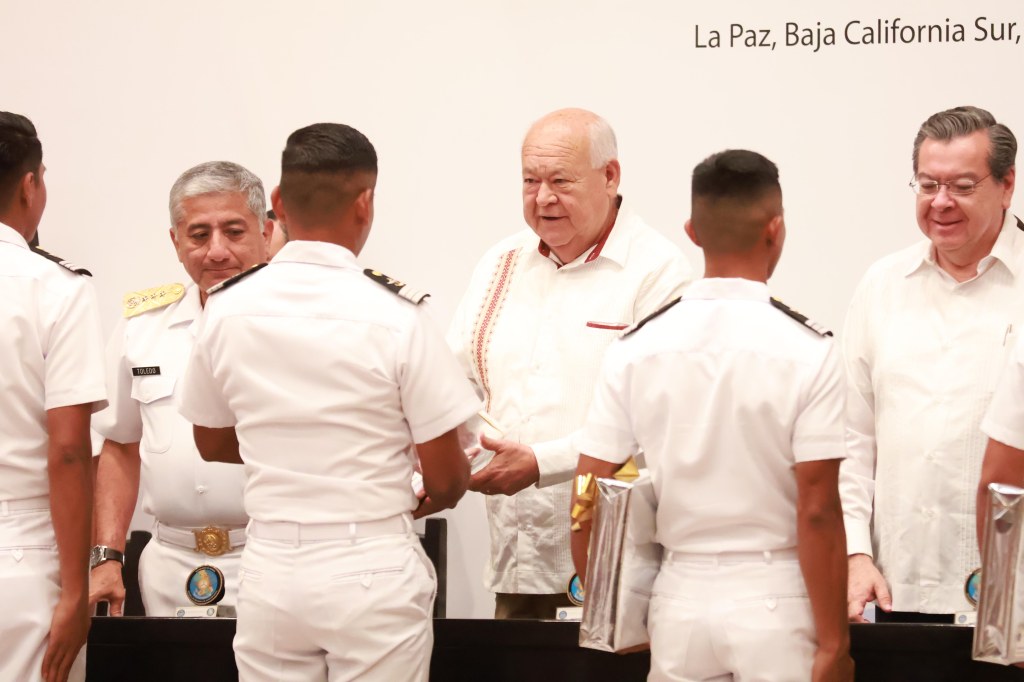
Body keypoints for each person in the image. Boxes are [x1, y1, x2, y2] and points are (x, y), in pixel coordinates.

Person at [177, 123, 479, 681]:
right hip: (368, 563)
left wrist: (291, 449)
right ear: (365, 203)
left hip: (269, 567)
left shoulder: (225, 309)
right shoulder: (398, 314)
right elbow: (446, 479)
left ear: (278, 204)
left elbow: (210, 440)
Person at [572, 149, 852, 681]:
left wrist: (612, 613)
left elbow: (588, 493)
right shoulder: (808, 349)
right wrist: (834, 645)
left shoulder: (636, 347)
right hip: (775, 596)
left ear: (691, 232)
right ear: (776, 229)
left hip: (679, 596)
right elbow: (818, 509)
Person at [447, 108, 691, 619]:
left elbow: (662, 421)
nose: (542, 198)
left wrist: (542, 463)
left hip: (619, 571)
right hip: (517, 565)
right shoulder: (500, 263)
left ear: (610, 176)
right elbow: (454, 382)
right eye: (530, 181)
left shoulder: (659, 273)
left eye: (560, 181)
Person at [842, 106, 1020, 623]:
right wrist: (855, 553)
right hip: (895, 593)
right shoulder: (882, 285)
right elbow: (850, 441)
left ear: (1007, 184)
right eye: (927, 185)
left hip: (1012, 601)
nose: (941, 203)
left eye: (962, 186)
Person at [89, 161, 272, 616]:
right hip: (168, 562)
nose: (216, 251)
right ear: (175, 241)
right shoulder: (143, 328)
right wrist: (107, 557)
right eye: (198, 234)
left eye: (233, 231)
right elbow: (119, 444)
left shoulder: (299, 324)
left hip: (271, 557)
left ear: (265, 232)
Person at [0, 112, 107, 682]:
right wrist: (75, 589)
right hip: (20, 553)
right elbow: (68, 450)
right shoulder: (55, 289)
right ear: (30, 184)